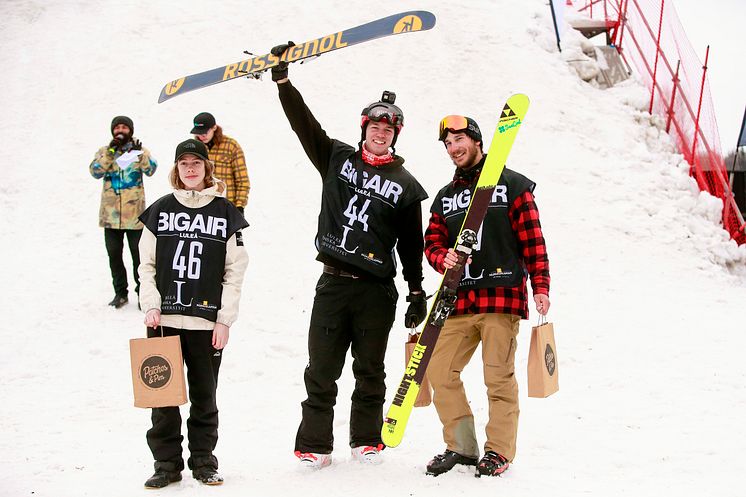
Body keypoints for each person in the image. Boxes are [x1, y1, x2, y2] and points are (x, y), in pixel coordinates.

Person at [270, 42, 429, 469]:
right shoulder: (336, 157)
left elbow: (412, 244)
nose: (381, 134)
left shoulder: (407, 185)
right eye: (375, 127)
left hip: (377, 289)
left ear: (395, 135)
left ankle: (366, 439)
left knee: (370, 368)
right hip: (334, 282)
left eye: (388, 130)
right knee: (321, 368)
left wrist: (417, 291)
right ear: (364, 129)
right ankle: (316, 446)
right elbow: (305, 126)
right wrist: (285, 83)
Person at [423, 115, 550, 477]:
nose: (454, 148)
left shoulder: (511, 185)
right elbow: (432, 242)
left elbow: (533, 240)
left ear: (476, 140)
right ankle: (462, 446)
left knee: (498, 377)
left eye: (459, 139)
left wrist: (540, 286)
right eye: (447, 143)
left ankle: (499, 451)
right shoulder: (445, 197)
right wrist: (440, 257)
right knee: (438, 369)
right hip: (458, 301)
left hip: (501, 297)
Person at [137, 139, 249, 488]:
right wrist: (151, 304)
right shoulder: (159, 210)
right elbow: (146, 265)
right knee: (162, 396)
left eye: (196, 163)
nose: (190, 169)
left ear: (206, 168)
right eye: (183, 163)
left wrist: (224, 320)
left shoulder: (225, 211)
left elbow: (235, 271)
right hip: (164, 320)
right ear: (176, 169)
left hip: (205, 323)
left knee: (205, 395)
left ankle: (203, 462)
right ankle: (166, 465)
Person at [89, 115, 157, 308]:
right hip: (111, 218)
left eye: (124, 127)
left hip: (135, 217)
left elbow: (152, 169)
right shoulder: (104, 151)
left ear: (131, 131)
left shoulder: (139, 151)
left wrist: (140, 154)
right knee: (115, 257)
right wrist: (110, 152)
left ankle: (142, 295)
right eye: (117, 127)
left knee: (139, 258)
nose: (120, 130)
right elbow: (95, 172)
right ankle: (120, 294)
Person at [191, 112, 250, 212]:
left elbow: (242, 180)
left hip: (226, 206)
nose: (202, 136)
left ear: (214, 127)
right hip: (200, 205)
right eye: (199, 132)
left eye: (205, 132)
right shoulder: (193, 147)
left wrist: (239, 207)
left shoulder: (231, 146)